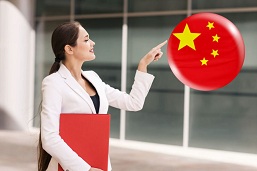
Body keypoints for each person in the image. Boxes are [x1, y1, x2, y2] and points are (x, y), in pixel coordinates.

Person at [38, 21, 167, 171]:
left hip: (100, 164)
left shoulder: (93, 78)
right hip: (72, 167)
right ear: (69, 49)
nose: (92, 43)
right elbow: (49, 138)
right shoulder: (54, 83)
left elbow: (133, 103)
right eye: (86, 39)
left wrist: (143, 65)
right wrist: (85, 169)